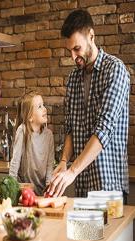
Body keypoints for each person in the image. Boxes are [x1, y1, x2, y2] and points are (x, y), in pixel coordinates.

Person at [47, 9, 130, 200]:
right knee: (83, 232)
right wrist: (64, 162)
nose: (73, 57)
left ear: (91, 36)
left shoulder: (115, 70)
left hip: (108, 185)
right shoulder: (74, 78)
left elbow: (104, 129)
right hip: (82, 183)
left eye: (77, 49)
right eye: (70, 51)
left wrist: (72, 171)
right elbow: (70, 127)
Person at [9, 91, 54, 195]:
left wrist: (48, 189)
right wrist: (11, 189)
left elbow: (50, 165)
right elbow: (15, 162)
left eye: (43, 105)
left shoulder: (49, 135)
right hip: (24, 190)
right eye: (39, 107)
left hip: (43, 190)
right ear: (30, 117)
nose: (44, 109)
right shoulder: (23, 131)